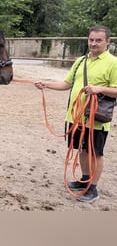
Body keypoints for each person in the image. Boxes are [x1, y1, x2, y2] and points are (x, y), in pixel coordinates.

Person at [35, 25, 117, 203]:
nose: (93, 43)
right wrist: (46, 84)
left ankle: (93, 188)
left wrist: (99, 88)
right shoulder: (81, 61)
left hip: (96, 118)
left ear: (108, 42)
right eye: (91, 40)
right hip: (76, 117)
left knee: (95, 152)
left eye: (98, 40)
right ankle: (84, 180)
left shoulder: (113, 63)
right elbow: (66, 83)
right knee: (82, 148)